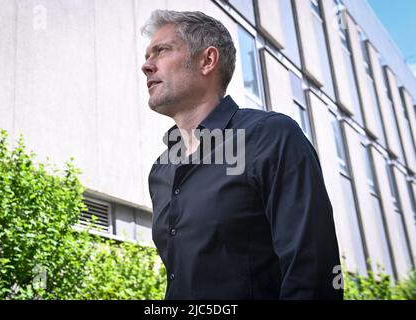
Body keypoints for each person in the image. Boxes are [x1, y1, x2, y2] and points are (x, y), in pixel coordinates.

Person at [141, 9, 343, 300]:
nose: (147, 66)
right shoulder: (161, 170)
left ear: (207, 60)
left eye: (160, 51)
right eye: (148, 55)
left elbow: (313, 275)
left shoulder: (271, 137)